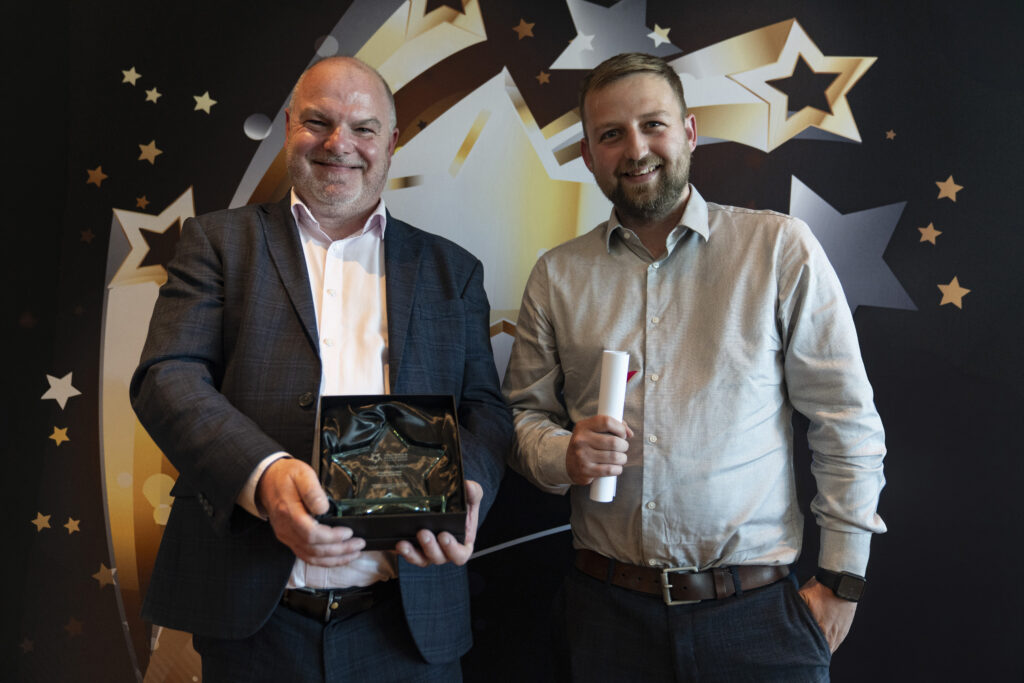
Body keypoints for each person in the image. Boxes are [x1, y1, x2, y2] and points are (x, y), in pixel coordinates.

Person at [502, 52, 886, 682]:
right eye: (611, 134)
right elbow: (520, 418)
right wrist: (562, 454)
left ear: (689, 132)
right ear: (590, 155)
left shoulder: (778, 249)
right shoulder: (558, 275)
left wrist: (842, 580)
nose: (636, 148)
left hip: (758, 618)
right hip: (604, 616)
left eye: (653, 124)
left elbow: (846, 421)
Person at [131, 56, 510, 682]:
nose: (340, 145)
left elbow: (487, 411)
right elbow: (167, 376)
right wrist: (264, 474)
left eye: (363, 128)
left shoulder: (452, 270)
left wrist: (469, 487)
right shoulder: (218, 243)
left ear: (391, 143)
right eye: (318, 122)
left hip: (407, 624)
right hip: (254, 619)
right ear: (288, 128)